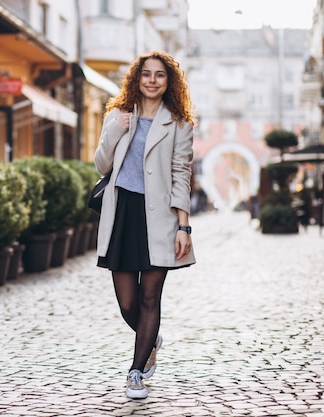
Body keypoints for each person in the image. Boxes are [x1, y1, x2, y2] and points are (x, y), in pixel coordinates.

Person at [93, 50, 196, 399]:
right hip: (123, 212)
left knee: (150, 297)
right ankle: (150, 337)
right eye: (146, 74)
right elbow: (100, 164)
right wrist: (112, 130)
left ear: (169, 82)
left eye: (160, 75)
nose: (152, 80)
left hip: (160, 217)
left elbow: (182, 174)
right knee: (127, 303)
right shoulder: (120, 116)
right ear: (137, 79)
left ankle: (135, 372)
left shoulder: (179, 123)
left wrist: (184, 227)